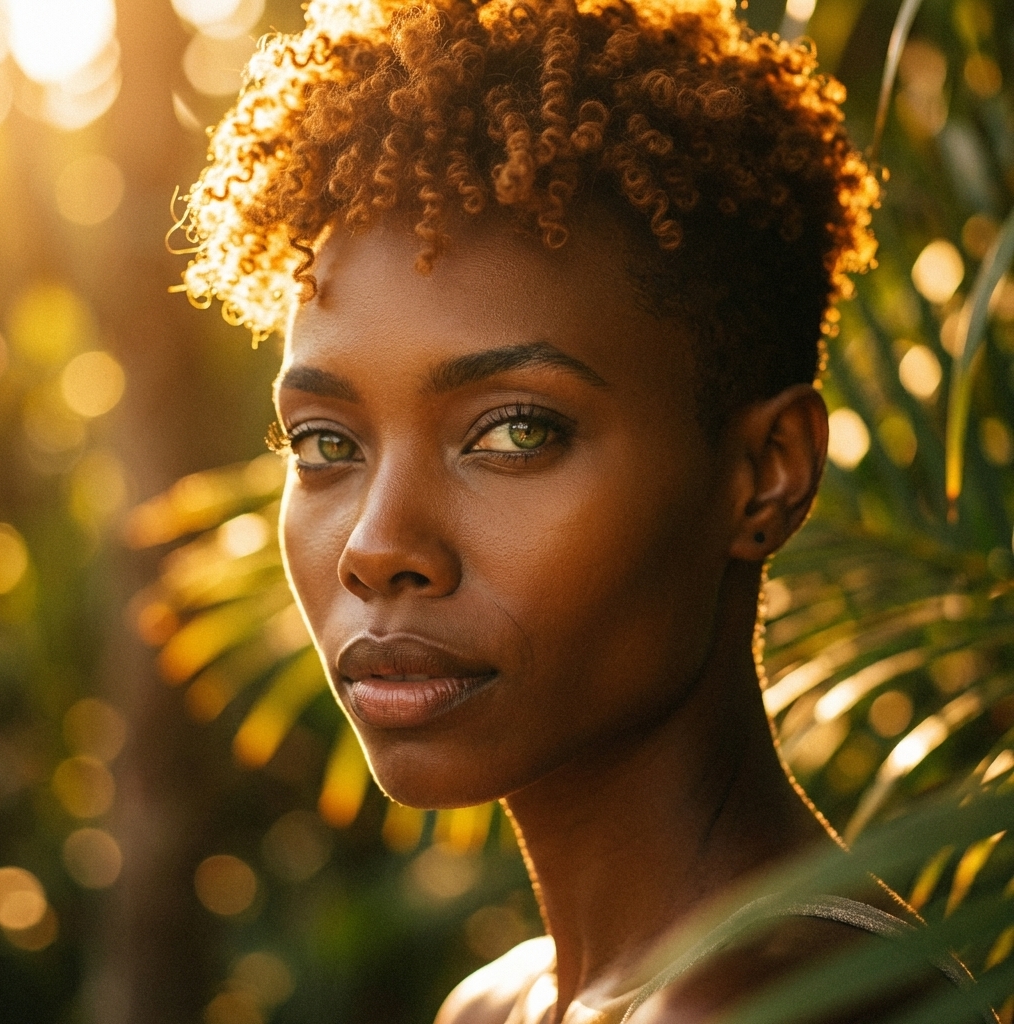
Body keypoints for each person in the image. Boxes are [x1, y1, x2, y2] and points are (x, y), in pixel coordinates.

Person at [172, 1, 979, 1020]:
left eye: (514, 432)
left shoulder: (781, 1008)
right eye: (327, 444)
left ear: (766, 471)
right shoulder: (499, 1004)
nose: (378, 548)